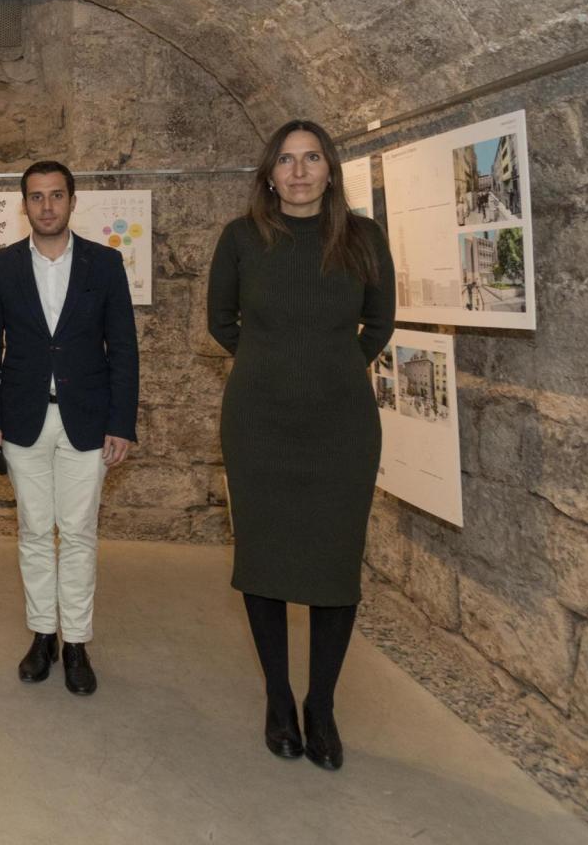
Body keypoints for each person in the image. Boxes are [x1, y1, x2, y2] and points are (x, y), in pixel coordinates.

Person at [207, 120, 396, 772]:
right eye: (286, 160)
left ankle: (322, 705)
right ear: (269, 174)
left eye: (312, 158)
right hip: (259, 424)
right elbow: (220, 321)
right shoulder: (241, 238)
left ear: (330, 169)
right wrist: (271, 366)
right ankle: (279, 700)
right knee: (264, 559)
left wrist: (333, 369)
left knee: (334, 565)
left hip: (342, 426)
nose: (299, 171)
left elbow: (380, 323)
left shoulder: (363, 238)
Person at [0, 160, 138, 695]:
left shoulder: (104, 264)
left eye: (57, 195)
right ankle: (43, 634)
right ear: (25, 205)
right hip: (23, 419)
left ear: (72, 201)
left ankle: (77, 643)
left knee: (80, 531)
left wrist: (122, 422)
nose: (47, 206)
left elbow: (124, 350)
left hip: (87, 420)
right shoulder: (3, 266)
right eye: (37, 197)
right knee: (35, 530)